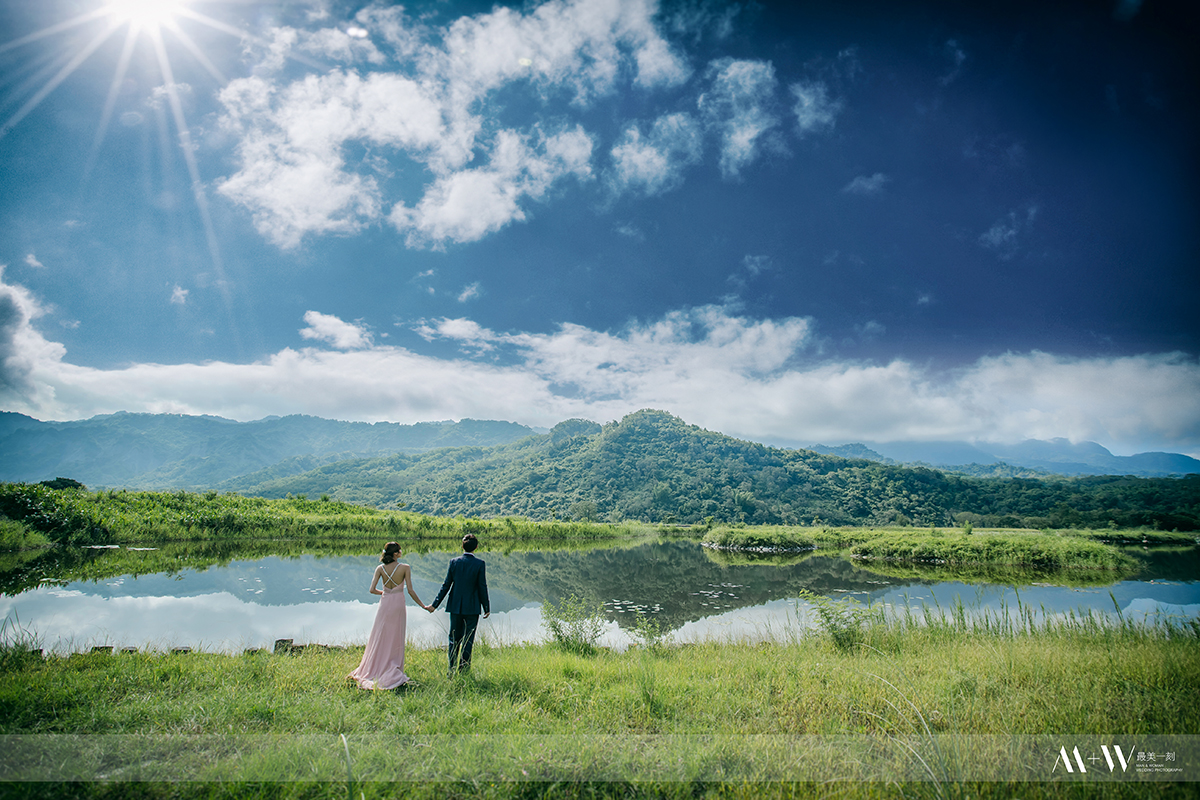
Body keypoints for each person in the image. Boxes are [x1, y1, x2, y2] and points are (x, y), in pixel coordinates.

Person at [348, 542, 430, 690]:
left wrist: (385, 593)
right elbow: (410, 590)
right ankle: (393, 666)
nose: (401, 552)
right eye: (399, 550)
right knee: (396, 635)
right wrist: (423, 606)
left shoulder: (380, 568)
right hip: (398, 603)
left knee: (380, 634)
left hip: (385, 604)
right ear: (396, 554)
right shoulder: (405, 568)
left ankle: (375, 665)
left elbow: (372, 590)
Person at [427, 533, 490, 677]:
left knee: (453, 639)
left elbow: (446, 585)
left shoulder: (454, 562)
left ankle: (451, 669)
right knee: (468, 640)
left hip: (455, 606)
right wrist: (486, 607)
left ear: (462, 546)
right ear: (476, 547)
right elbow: (482, 586)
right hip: (472, 607)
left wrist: (435, 605)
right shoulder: (480, 564)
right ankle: (464, 671)